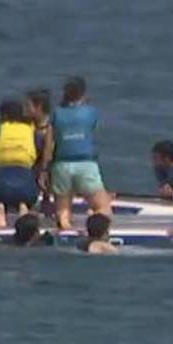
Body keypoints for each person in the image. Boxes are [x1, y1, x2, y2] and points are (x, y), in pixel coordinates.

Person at [41, 76, 112, 230]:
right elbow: (92, 129)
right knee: (103, 208)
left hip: (61, 165)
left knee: (63, 210)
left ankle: (65, 227)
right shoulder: (90, 112)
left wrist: (44, 169)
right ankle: (94, 231)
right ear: (83, 93)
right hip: (85, 164)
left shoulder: (57, 113)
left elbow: (49, 144)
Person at [0, 99, 40, 228]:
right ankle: (24, 219)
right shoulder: (33, 135)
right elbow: (39, 163)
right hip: (27, 189)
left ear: (3, 116)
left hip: (0, 188)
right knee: (25, 203)